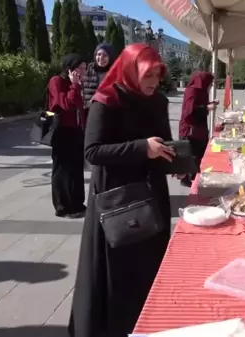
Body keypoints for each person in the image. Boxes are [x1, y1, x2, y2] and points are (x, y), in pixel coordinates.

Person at [69, 43, 176, 337]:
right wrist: (143, 148)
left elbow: (162, 145)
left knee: (149, 270)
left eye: (157, 74)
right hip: (118, 200)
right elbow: (93, 152)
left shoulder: (159, 101)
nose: (154, 81)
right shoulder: (106, 100)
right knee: (119, 274)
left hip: (152, 196)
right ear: (131, 70)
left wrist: (178, 161)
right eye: (148, 75)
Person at [49, 53, 87, 219]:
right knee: (63, 170)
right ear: (70, 69)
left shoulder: (78, 83)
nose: (84, 72)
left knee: (76, 169)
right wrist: (74, 86)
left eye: (85, 69)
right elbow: (66, 104)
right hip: (62, 131)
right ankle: (62, 206)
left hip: (76, 130)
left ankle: (77, 203)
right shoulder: (56, 81)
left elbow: (79, 107)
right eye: (81, 68)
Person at [179, 71, 217, 187]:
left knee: (198, 153)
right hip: (190, 129)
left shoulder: (202, 91)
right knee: (190, 153)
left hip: (198, 128)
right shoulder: (192, 90)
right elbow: (189, 112)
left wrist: (210, 104)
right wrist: (207, 107)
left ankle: (193, 176)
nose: (211, 85)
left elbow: (198, 105)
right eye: (210, 83)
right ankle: (186, 178)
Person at [82, 43, 116, 111]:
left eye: (105, 55)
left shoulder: (115, 72)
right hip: (89, 110)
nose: (101, 58)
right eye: (99, 54)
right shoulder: (88, 70)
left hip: (109, 111)